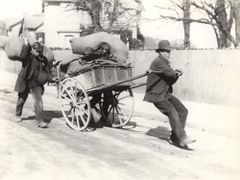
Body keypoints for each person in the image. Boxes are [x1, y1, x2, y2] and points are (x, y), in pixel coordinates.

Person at [144, 40, 195, 149]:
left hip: (165, 94)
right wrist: (176, 73)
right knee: (172, 112)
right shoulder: (158, 62)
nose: (168, 54)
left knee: (183, 111)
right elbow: (171, 74)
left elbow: (171, 79)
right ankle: (182, 137)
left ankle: (175, 138)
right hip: (156, 95)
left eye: (169, 51)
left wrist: (176, 73)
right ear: (160, 52)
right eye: (165, 51)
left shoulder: (165, 63)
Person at [14, 41, 52, 128]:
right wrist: (27, 45)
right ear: (33, 50)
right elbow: (23, 54)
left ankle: (40, 121)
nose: (38, 53)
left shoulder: (43, 58)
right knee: (21, 99)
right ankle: (17, 114)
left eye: (40, 51)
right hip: (25, 80)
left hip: (35, 82)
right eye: (37, 51)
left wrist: (51, 78)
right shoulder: (27, 56)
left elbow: (47, 70)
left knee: (38, 101)